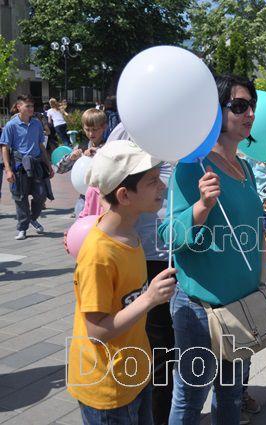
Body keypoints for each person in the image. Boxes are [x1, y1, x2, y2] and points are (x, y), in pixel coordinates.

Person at [158, 74, 264, 425]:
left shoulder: (245, 167)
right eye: (240, 106)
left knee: (231, 394)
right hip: (200, 310)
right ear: (215, 113)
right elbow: (170, 236)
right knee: (190, 398)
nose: (250, 113)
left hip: (241, 307)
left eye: (252, 105)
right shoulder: (191, 168)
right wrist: (201, 207)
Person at [66, 139, 177, 425]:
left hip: (136, 372)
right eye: (152, 181)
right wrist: (149, 298)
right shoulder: (99, 254)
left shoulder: (130, 234)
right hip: (107, 388)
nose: (162, 186)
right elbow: (97, 331)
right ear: (125, 195)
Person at [107, 122, 176, 425]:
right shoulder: (129, 127)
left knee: (166, 345)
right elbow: (106, 184)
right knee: (149, 342)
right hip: (139, 251)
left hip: (177, 254)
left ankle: (158, 413)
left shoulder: (189, 125)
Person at [1, 94, 55, 240]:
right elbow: (5, 147)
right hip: (19, 166)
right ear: (19, 107)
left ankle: (32, 218)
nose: (31, 108)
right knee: (20, 197)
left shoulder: (37, 123)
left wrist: (48, 165)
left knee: (41, 195)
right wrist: (8, 170)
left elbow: (40, 145)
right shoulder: (11, 125)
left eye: (32, 106)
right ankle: (22, 228)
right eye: (28, 106)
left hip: (36, 165)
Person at [57, 108, 108, 217]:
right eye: (87, 129)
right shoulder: (81, 147)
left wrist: (97, 152)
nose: (91, 133)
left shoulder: (109, 146)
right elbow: (60, 169)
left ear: (104, 127)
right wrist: (71, 158)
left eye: (95, 129)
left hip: (103, 199)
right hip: (84, 199)